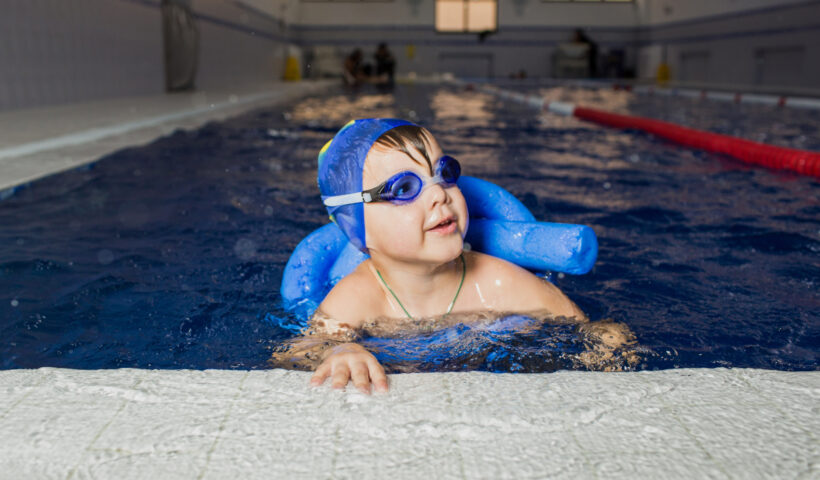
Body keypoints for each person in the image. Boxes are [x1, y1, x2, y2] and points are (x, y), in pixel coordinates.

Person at [270, 119, 634, 393]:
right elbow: (294, 352)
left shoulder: (498, 282)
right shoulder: (358, 296)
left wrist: (608, 347)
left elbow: (588, 331)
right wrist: (339, 352)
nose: (439, 195)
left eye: (444, 174)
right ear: (356, 227)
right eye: (404, 188)